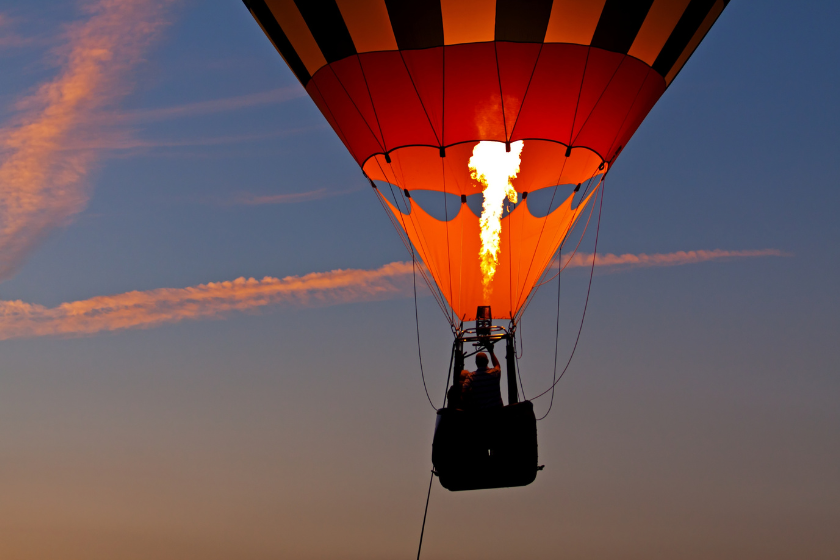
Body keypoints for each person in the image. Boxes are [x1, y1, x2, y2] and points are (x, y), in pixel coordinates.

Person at [461, 343, 503, 410]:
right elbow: (497, 365)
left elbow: (464, 391)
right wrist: (491, 351)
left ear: (476, 363)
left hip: (481, 413)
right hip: (497, 412)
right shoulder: (495, 373)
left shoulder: (471, 377)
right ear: (487, 361)